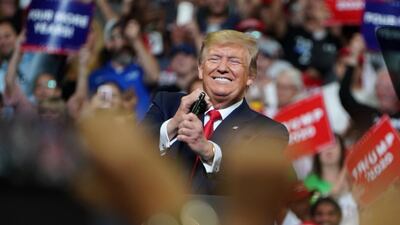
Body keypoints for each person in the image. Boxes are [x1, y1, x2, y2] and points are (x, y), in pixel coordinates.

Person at [144, 29, 289, 194]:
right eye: (214, 59)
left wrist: (208, 150)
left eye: (234, 61)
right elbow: (131, 153)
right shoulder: (166, 103)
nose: (222, 68)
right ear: (200, 69)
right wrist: (173, 125)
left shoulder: (269, 131)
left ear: (250, 76)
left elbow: (255, 182)